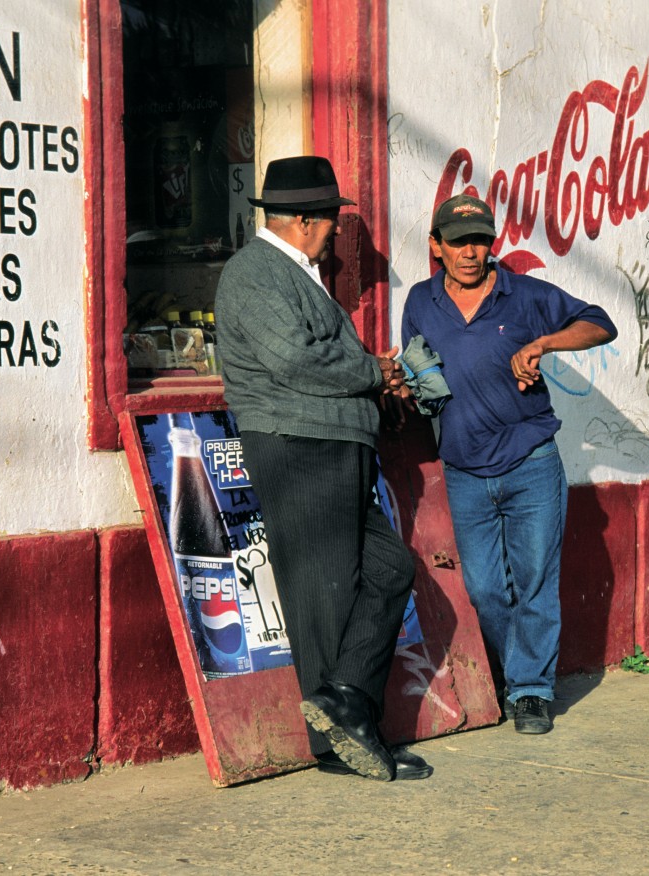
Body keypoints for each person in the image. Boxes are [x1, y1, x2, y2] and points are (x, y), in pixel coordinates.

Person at [215, 156, 430, 780]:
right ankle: (343, 739)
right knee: (324, 595)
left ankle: (346, 708)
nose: (336, 231)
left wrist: (373, 387)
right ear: (307, 221)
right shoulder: (254, 272)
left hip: (327, 443)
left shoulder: (293, 273)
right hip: (300, 446)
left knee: (386, 570)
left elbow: (310, 356)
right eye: (332, 221)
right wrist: (374, 372)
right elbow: (293, 360)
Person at [400, 194, 616, 734]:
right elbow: (419, 369)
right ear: (437, 246)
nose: (470, 253)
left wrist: (544, 343)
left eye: (479, 241)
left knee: (536, 581)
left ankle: (530, 690)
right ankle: (515, 670)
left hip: (531, 462)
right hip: (465, 470)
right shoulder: (420, 302)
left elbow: (600, 324)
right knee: (487, 589)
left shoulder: (524, 295)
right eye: (457, 242)